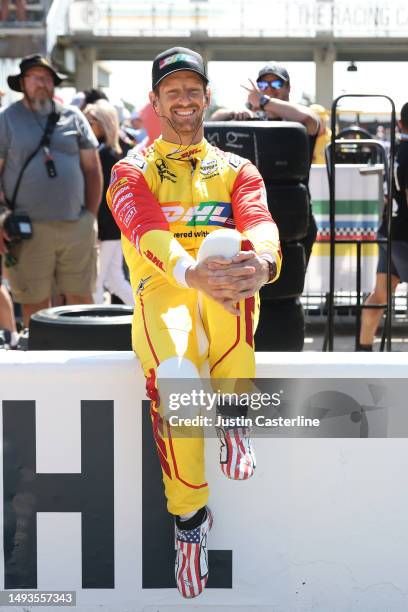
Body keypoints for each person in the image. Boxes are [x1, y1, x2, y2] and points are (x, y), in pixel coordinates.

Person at [107, 46, 282, 599]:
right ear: (155, 101)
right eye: (172, 91)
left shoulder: (237, 169)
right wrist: (191, 272)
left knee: (232, 243)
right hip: (163, 289)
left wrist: (265, 264)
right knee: (179, 374)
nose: (184, 99)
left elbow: (261, 223)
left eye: (193, 89)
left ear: (207, 97)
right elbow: (148, 235)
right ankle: (191, 522)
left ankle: (233, 410)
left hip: (223, 291)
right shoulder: (129, 170)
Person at [0, 54, 103, 327]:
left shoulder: (73, 116)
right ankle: (41, 361)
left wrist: (89, 217)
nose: (41, 83)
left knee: (82, 299)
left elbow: (92, 169)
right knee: (35, 304)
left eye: (47, 78)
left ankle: (85, 358)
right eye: (35, 77)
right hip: (27, 229)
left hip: (75, 225)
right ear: (22, 83)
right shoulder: (7, 120)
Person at [243, 62, 322, 265]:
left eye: (276, 83)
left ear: (288, 88)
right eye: (263, 84)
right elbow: (216, 118)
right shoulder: (250, 122)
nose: (269, 88)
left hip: (293, 217)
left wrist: (262, 100)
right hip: (253, 217)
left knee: (290, 288)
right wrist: (244, 111)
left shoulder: (299, 123)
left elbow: (310, 119)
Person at [359, 102, 408, 351]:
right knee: (380, 295)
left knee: (380, 295)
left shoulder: (395, 150)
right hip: (403, 236)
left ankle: (363, 350)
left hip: (390, 230)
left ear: (400, 125)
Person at [84, 100, 134, 306]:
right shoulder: (117, 151)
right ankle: (147, 311)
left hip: (107, 227)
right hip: (115, 226)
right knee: (114, 280)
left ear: (102, 123)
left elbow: (103, 196)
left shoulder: (106, 155)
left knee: (97, 282)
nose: (86, 125)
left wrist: (95, 227)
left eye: (90, 121)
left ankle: (93, 330)